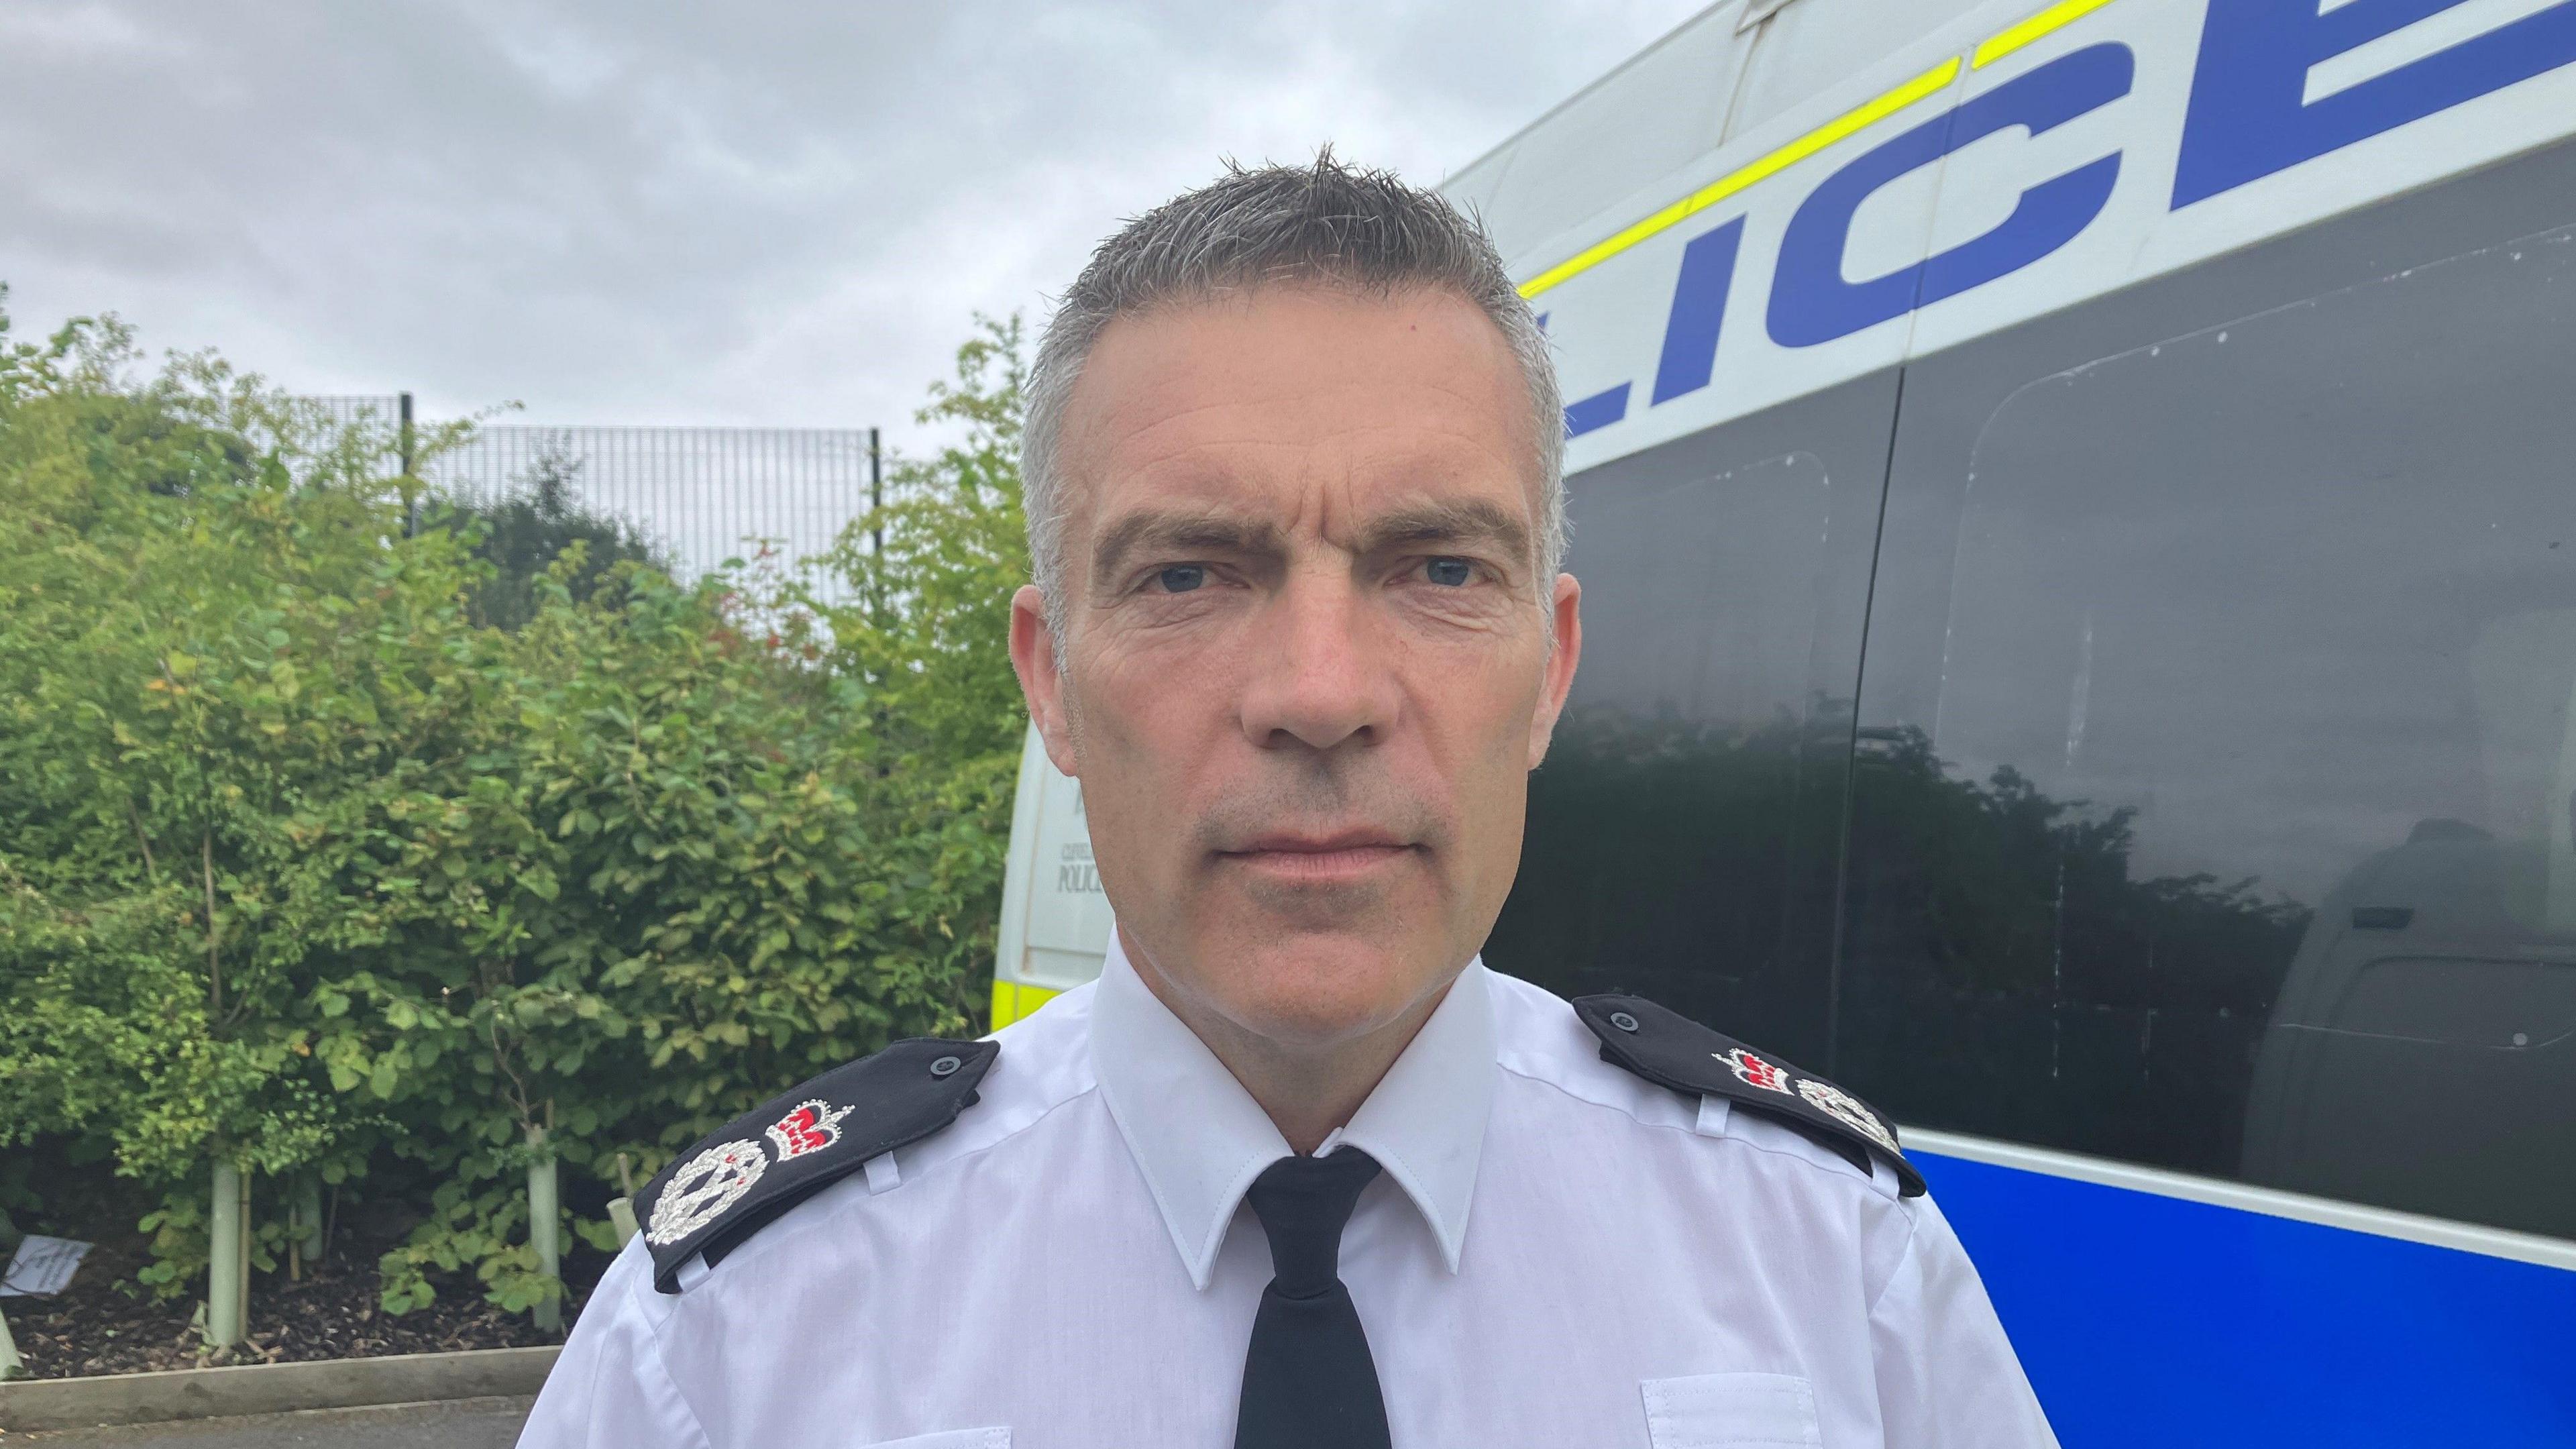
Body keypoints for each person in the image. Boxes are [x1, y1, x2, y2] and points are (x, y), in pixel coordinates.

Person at [517, 154, 2058, 1449]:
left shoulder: (1836, 1264)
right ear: (1051, 680)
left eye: (1440, 569)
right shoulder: (731, 1350)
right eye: (1189, 573)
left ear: (1548, 670)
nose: (1322, 693)